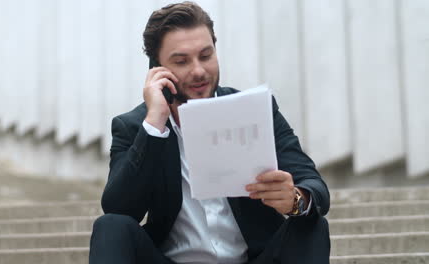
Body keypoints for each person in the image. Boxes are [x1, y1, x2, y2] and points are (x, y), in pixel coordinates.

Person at [89, 2, 330, 263]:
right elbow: (119, 209)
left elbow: (315, 187)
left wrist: (294, 200)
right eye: (181, 61)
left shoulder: (255, 110)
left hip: (255, 258)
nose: (199, 71)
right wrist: (155, 124)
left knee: (311, 223)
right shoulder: (136, 127)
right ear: (157, 68)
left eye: (206, 55)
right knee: (110, 227)